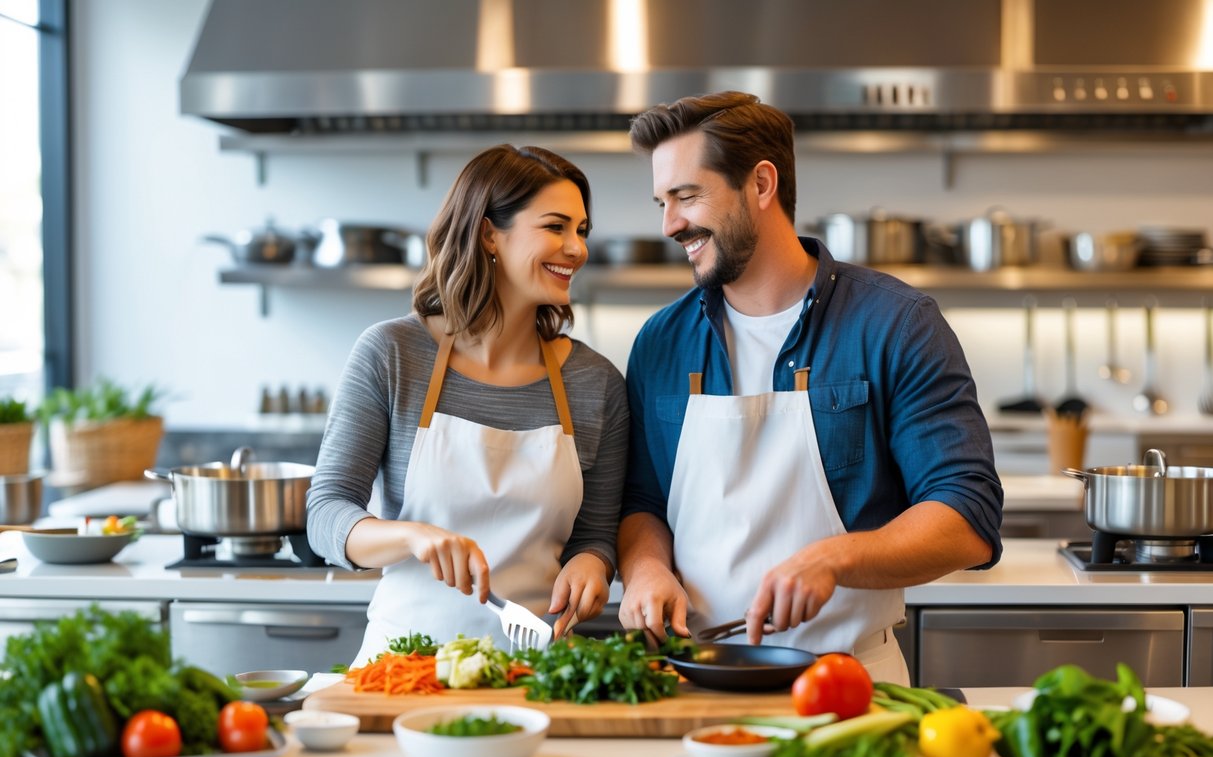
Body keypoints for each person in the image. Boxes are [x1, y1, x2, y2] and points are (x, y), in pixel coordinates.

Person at [618, 91, 1003, 683]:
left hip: (851, 676)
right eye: (662, 202)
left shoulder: (895, 324)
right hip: (694, 674)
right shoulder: (660, 343)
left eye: (687, 196)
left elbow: (966, 517)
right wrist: (645, 569)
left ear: (762, 184)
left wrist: (836, 558)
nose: (670, 224)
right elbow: (643, 501)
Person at [307, 145, 629, 667]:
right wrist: (411, 537)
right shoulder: (393, 354)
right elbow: (325, 514)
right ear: (488, 234)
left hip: (536, 671)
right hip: (402, 669)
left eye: (582, 230)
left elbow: (595, 535)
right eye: (556, 227)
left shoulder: (596, 383)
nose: (576, 248)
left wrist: (592, 564)